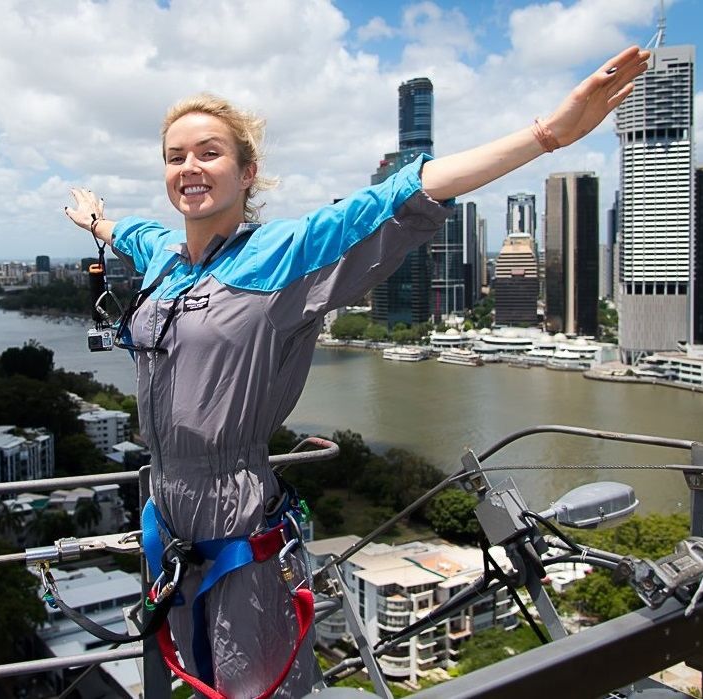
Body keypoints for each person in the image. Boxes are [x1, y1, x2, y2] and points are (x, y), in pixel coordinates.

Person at [63, 45, 650, 698]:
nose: (189, 168)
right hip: (167, 516)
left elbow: (407, 191)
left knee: (253, 686)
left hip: (234, 518)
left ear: (247, 170)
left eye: (208, 152)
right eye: (175, 157)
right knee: (195, 679)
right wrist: (96, 221)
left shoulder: (281, 254)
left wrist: (547, 135)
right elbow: (132, 232)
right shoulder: (166, 259)